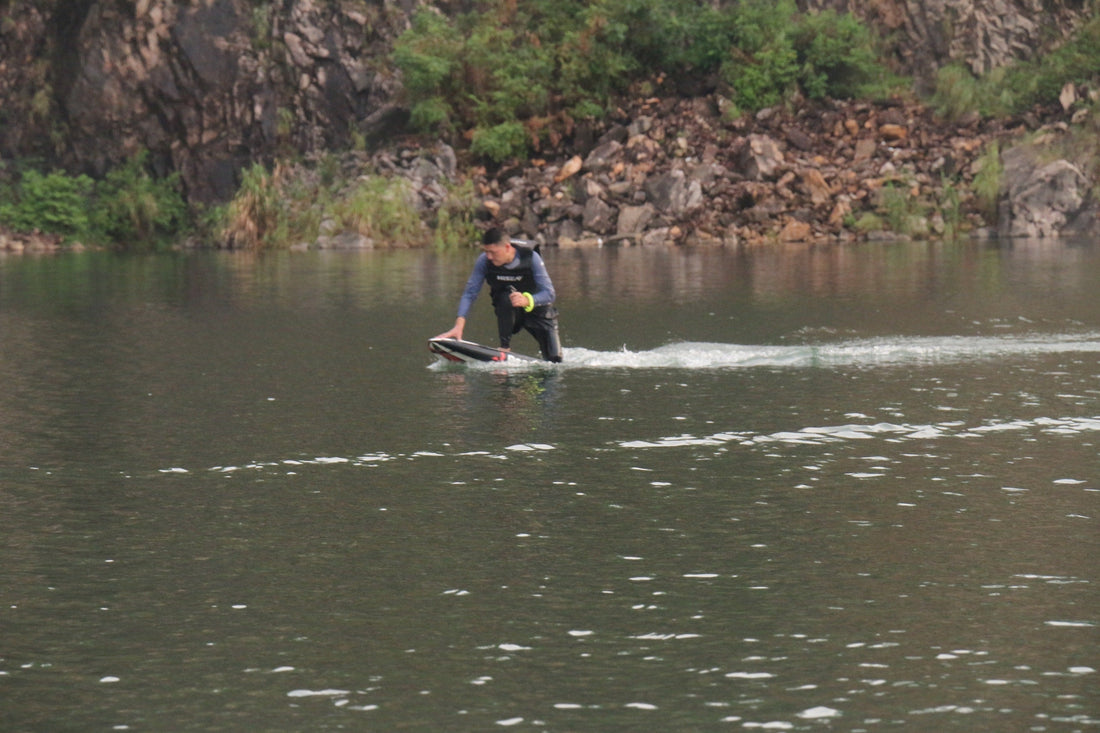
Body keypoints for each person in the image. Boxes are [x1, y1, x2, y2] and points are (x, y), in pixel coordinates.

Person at [436, 227, 563, 362]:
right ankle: (504, 347)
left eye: (493, 252)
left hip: (538, 310)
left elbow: (549, 294)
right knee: (505, 297)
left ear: (507, 247)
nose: (489, 257)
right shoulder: (484, 261)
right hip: (510, 312)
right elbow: (470, 293)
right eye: (486, 252)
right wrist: (459, 325)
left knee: (554, 361)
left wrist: (528, 300)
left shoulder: (531, 258)